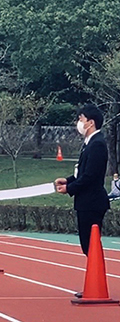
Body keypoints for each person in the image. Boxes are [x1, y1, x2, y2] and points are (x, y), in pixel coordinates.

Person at [54, 104, 109, 299]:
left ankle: (98, 285)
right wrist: (68, 180)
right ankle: (95, 282)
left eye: (81, 119)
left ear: (91, 122)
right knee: (88, 245)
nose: (79, 123)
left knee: (91, 245)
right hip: (85, 201)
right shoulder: (89, 143)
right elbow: (81, 173)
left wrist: (69, 188)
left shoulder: (98, 144)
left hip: (92, 202)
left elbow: (91, 177)